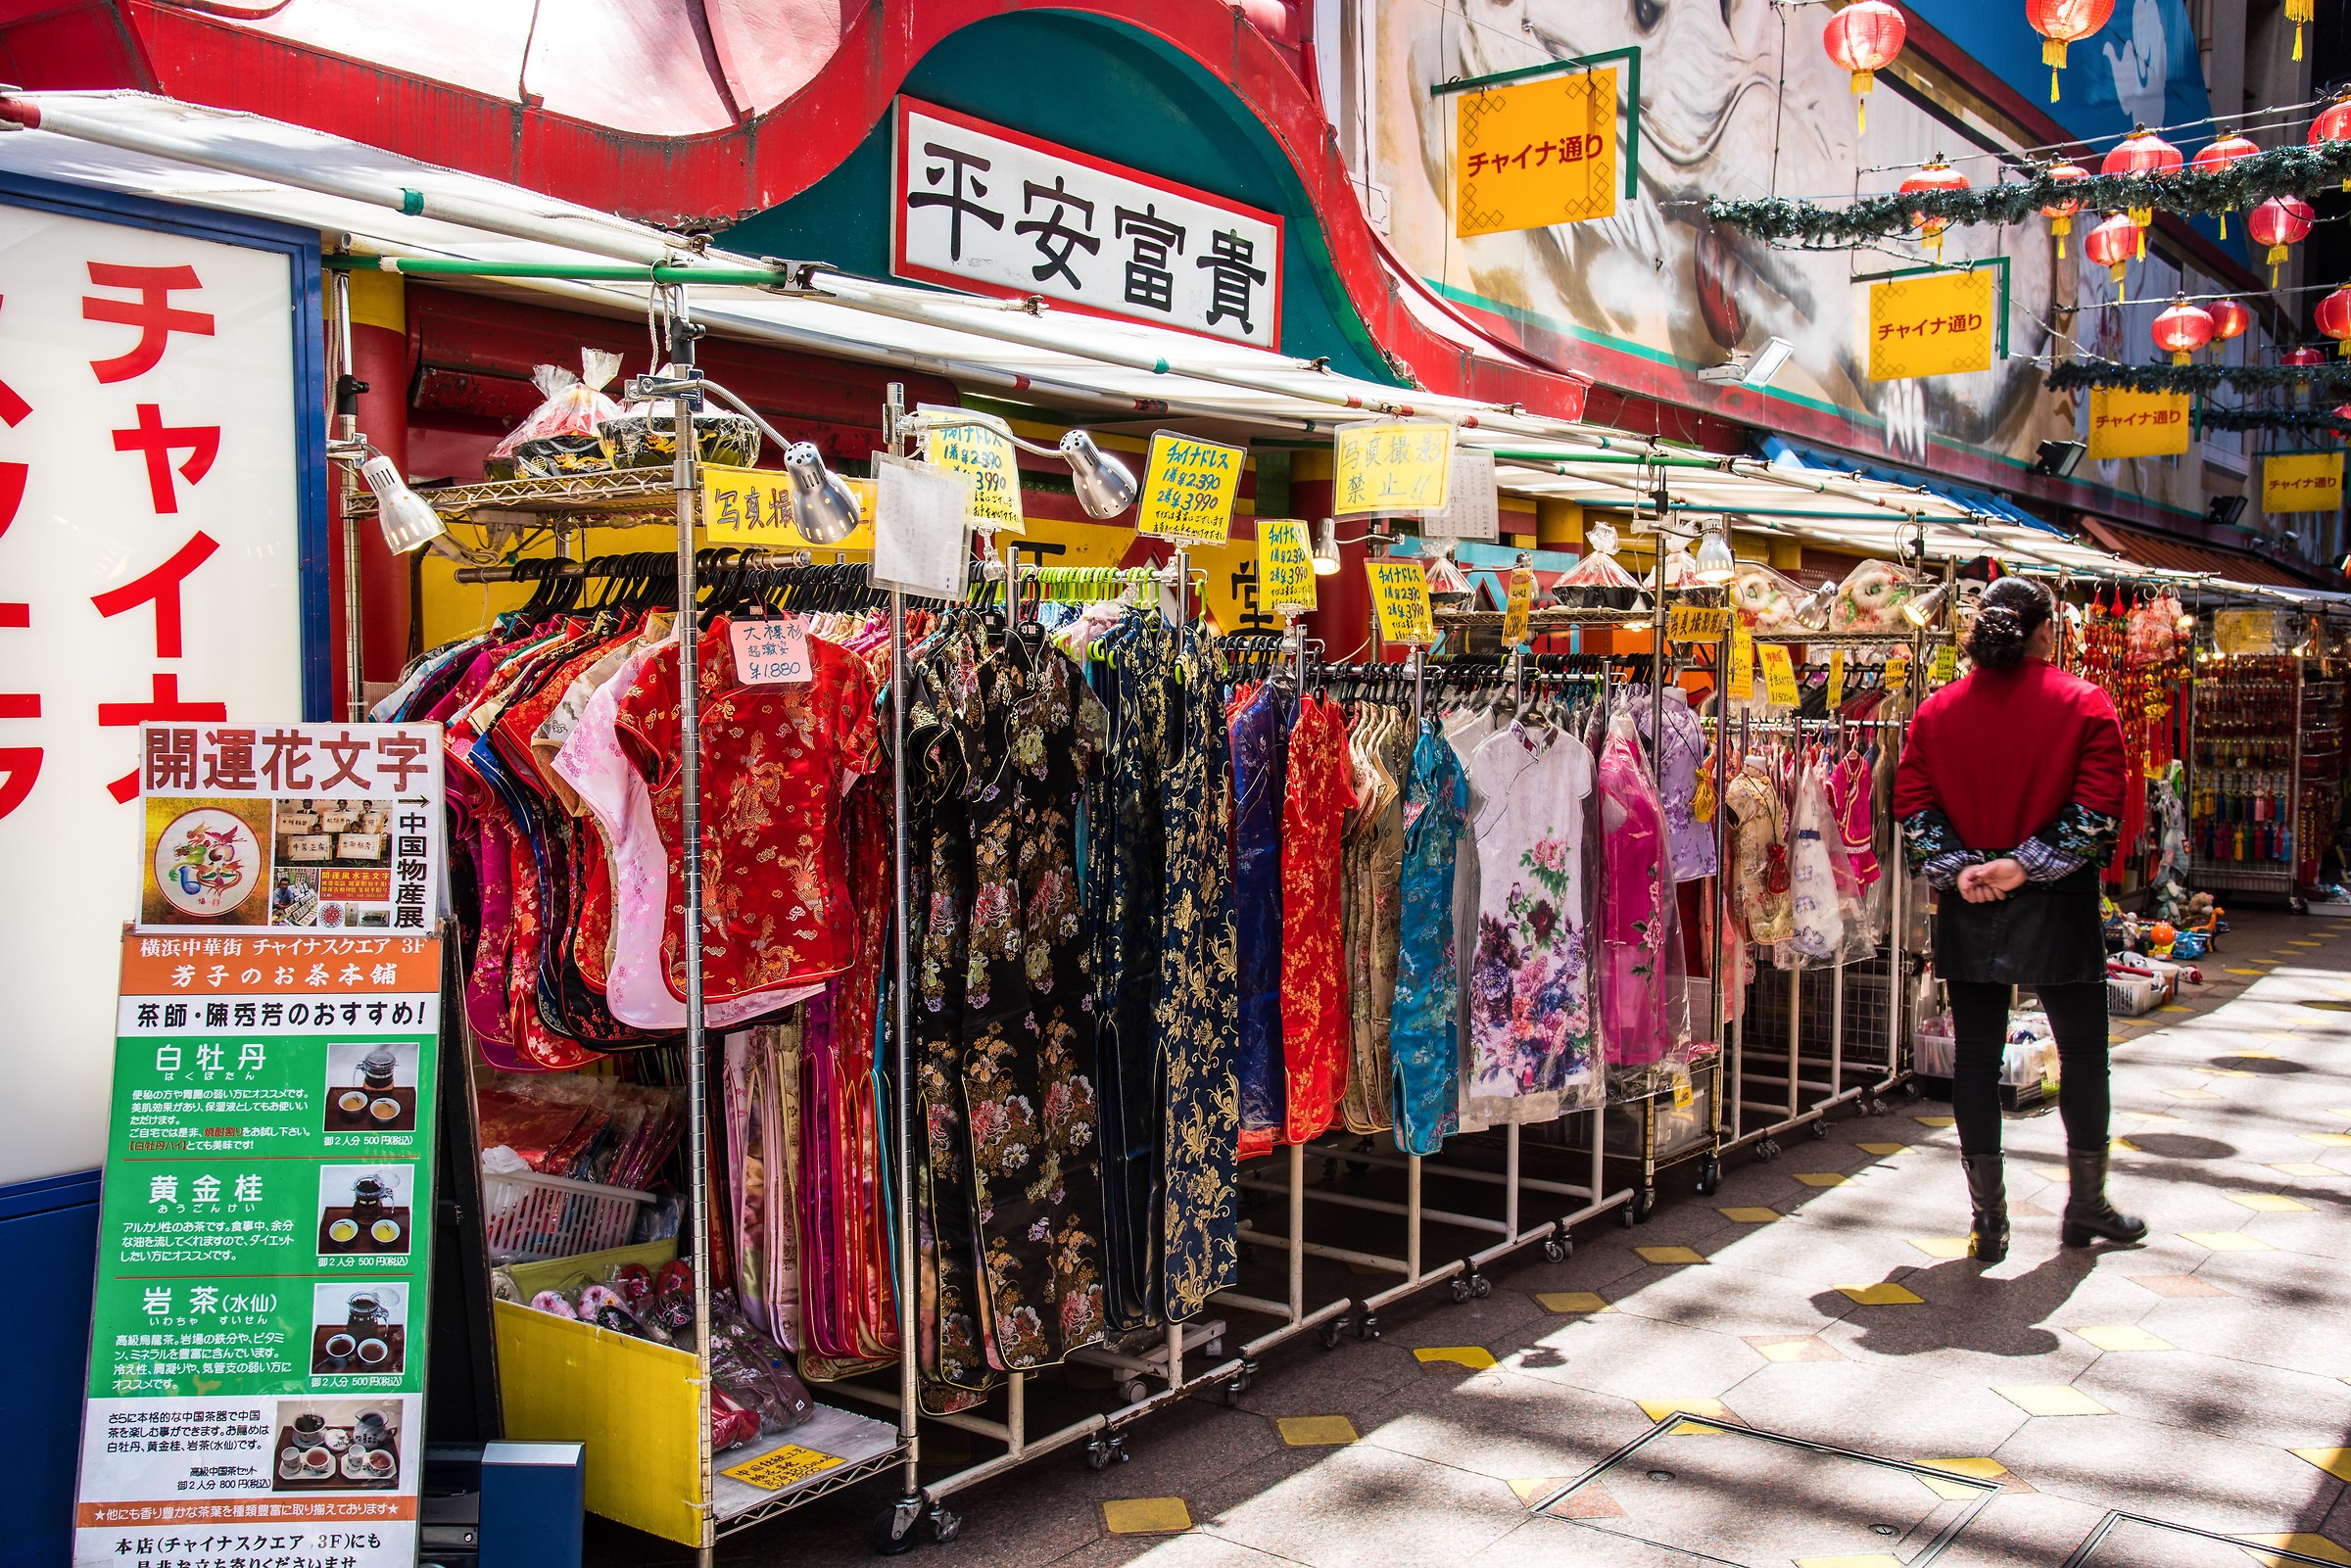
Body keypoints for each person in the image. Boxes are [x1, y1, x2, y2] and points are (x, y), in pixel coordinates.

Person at [1892, 576, 2146, 1262]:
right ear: (2043, 632)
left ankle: (1988, 1220)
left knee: (1975, 1055)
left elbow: (1911, 800)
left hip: (1971, 902)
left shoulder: (1937, 712)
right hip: (2057, 907)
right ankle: (2087, 1205)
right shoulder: (2085, 704)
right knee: (2085, 1052)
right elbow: (2099, 809)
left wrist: (1961, 868)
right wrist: (2026, 865)